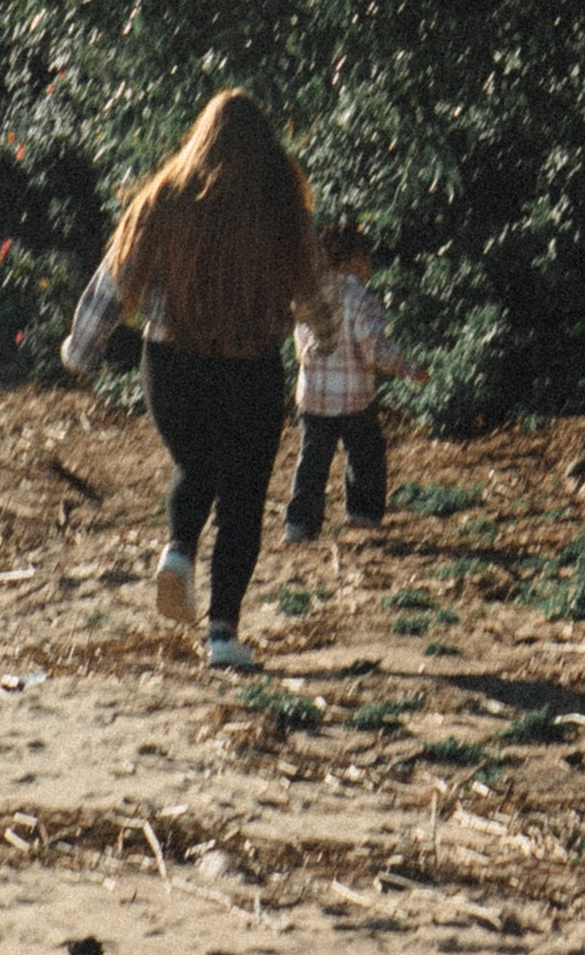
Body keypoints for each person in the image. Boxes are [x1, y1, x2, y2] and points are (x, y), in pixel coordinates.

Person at [60, 89, 328, 674]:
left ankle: (178, 553)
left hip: (170, 364)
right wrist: (326, 339)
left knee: (196, 464)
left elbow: (114, 281)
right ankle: (223, 635)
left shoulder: (163, 199)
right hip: (250, 366)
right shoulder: (282, 209)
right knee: (242, 498)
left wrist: (81, 352)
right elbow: (313, 291)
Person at [284, 218, 414, 540]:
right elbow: (373, 349)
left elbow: (301, 344)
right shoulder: (362, 301)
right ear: (356, 261)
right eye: (367, 261)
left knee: (312, 460)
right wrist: (407, 368)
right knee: (366, 452)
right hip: (355, 399)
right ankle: (363, 515)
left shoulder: (308, 295)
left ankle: (300, 525)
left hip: (314, 398)